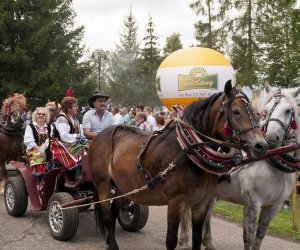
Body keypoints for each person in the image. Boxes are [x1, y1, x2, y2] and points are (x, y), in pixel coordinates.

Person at [23, 107, 52, 174]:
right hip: (33, 150)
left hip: (47, 150)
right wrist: (41, 150)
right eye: (39, 114)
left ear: (46, 117)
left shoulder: (50, 126)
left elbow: (52, 139)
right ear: (35, 116)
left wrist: (45, 150)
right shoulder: (30, 126)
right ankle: (39, 176)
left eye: (43, 114)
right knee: (42, 157)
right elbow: (29, 141)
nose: (41, 115)